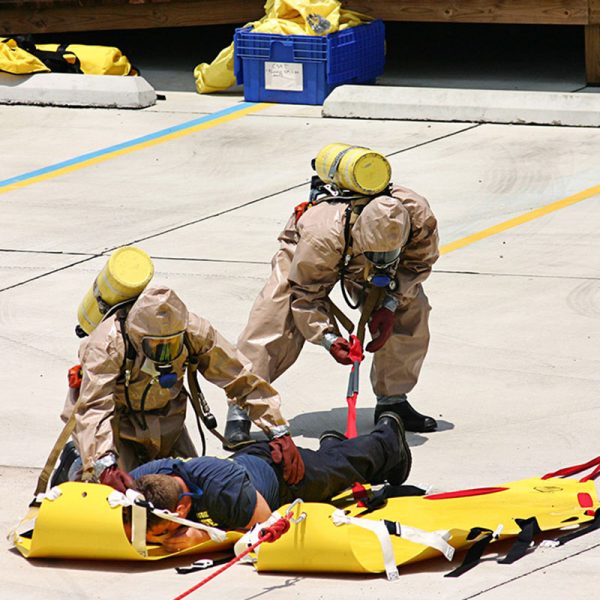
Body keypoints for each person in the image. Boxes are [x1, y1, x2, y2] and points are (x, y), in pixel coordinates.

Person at [225, 144, 439, 446]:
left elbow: (418, 264)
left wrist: (390, 304)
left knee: (412, 308)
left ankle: (393, 402)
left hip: (361, 260)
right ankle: (242, 407)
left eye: (389, 254)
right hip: (311, 254)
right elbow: (306, 294)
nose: (384, 259)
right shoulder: (322, 233)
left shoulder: (418, 217)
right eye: (378, 254)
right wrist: (327, 338)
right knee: (273, 317)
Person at [55, 285, 304, 493]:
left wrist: (278, 430)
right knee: (127, 496)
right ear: (135, 336)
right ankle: (77, 462)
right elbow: (94, 407)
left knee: (193, 489)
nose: (165, 354)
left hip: (167, 420)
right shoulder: (106, 345)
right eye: (156, 347)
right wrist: (103, 464)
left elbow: (239, 376)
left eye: (172, 345)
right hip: (117, 423)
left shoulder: (194, 331)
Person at [131, 412, 411, 550]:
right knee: (334, 466)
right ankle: (332, 446)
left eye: (160, 534)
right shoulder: (147, 479)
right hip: (246, 467)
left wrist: (202, 537)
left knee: (343, 467)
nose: (151, 540)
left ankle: (388, 439)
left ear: (180, 511)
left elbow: (267, 527)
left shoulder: (223, 490)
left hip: (283, 478)